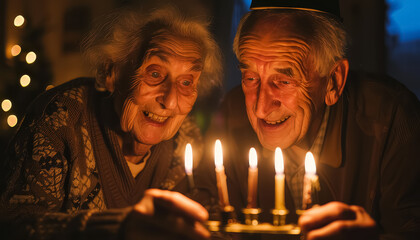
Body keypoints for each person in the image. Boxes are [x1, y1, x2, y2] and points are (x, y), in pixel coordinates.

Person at [195, 0, 420, 239]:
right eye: (250, 77)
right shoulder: (232, 115)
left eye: (283, 81)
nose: (260, 108)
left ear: (333, 82)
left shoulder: (392, 118)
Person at [0, 3, 222, 240]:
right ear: (111, 73)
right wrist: (118, 227)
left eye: (186, 82)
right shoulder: (61, 117)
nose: (169, 101)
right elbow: (13, 227)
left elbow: (212, 221)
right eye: (155, 73)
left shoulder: (186, 137)